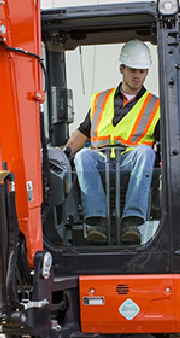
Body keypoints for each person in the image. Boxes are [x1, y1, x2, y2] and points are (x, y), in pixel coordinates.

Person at [64, 40, 162, 245]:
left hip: (131, 162)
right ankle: (96, 222)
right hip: (101, 162)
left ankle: (132, 222)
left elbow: (163, 143)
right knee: (83, 156)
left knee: (146, 152)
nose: (137, 76)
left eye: (142, 71)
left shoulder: (155, 105)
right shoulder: (101, 99)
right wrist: (64, 152)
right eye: (133, 70)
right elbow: (83, 133)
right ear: (122, 69)